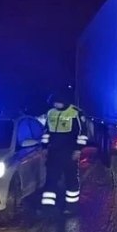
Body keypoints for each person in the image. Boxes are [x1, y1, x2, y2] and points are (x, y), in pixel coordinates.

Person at [40, 86, 88, 214]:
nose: (56, 104)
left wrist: (78, 150)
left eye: (58, 102)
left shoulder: (75, 113)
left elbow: (82, 133)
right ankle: (48, 207)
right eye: (54, 102)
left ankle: (71, 206)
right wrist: (44, 147)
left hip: (69, 151)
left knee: (71, 178)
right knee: (51, 178)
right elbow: (46, 132)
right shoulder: (51, 113)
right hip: (53, 151)